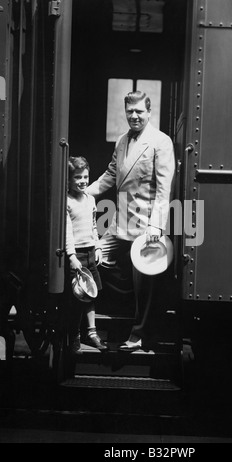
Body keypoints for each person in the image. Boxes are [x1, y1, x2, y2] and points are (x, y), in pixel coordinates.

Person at [87, 90, 175, 351]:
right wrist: (82, 192)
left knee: (144, 285)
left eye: (139, 111)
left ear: (149, 112)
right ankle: (92, 325)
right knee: (91, 257)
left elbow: (163, 189)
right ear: (125, 113)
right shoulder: (122, 141)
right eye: (130, 112)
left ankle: (138, 335)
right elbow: (110, 175)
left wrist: (156, 226)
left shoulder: (161, 142)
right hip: (119, 225)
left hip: (147, 228)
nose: (134, 116)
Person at [66, 156, 108, 354]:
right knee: (77, 299)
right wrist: (71, 256)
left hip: (91, 251)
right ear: (69, 180)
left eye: (85, 177)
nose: (82, 181)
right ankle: (74, 336)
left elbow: (93, 226)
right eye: (77, 177)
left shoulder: (90, 199)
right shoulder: (67, 201)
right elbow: (66, 232)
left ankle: (92, 333)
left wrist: (98, 246)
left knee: (91, 295)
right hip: (78, 255)